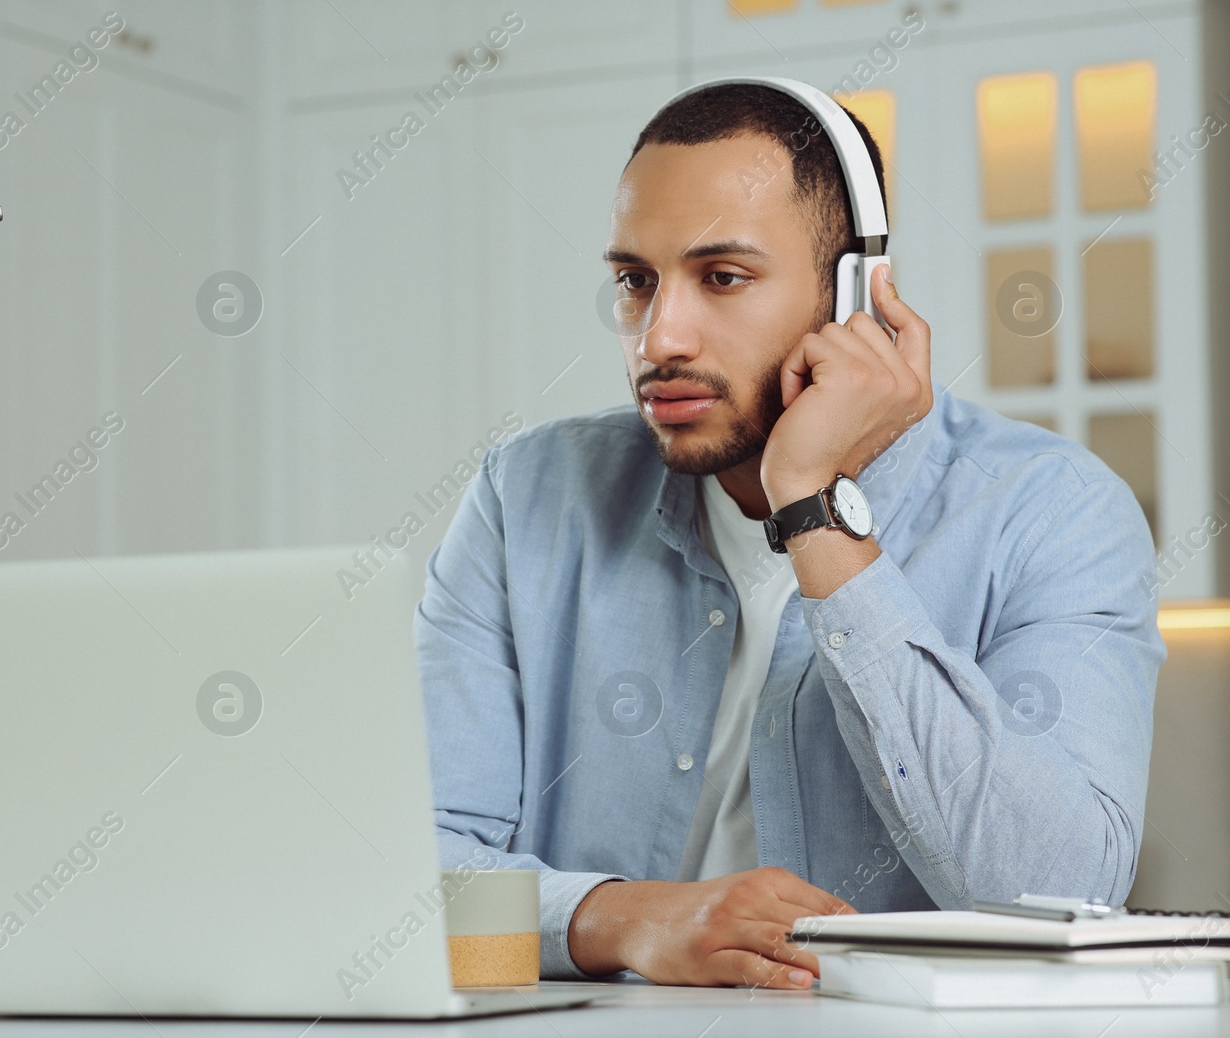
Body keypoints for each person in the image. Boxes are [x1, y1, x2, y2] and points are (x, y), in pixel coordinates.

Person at [415, 81, 1165, 990]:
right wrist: (623, 921)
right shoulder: (524, 498)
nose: (661, 337)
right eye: (634, 281)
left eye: (722, 277)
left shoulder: (1055, 510)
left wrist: (813, 507)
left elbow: (1058, 901)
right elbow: (400, 897)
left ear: (855, 292)